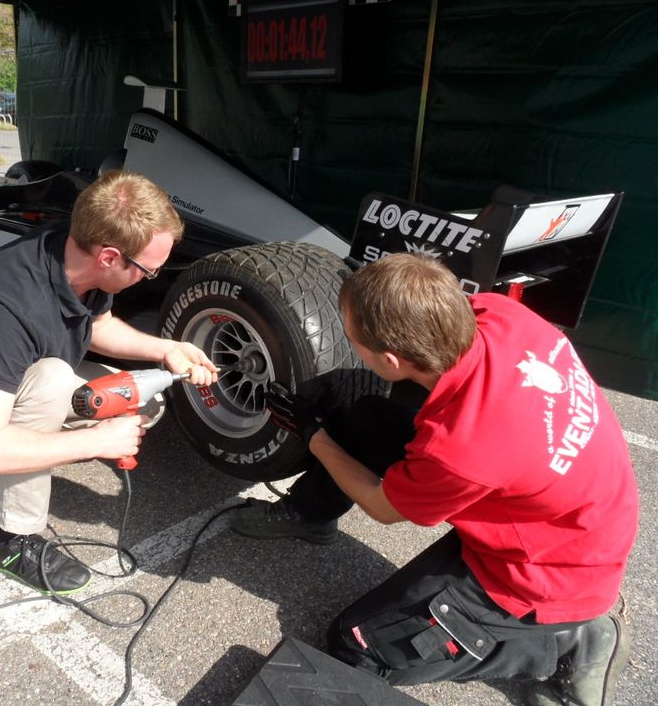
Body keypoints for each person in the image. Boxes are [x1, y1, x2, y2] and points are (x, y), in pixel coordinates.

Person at [232, 254, 638, 706]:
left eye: (352, 340)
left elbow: (382, 506)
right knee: (366, 419)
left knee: (356, 646)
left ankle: (570, 638)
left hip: (541, 573)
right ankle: (310, 514)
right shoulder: (498, 313)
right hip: (572, 516)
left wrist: (313, 435)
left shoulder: (462, 447)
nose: (350, 345)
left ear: (390, 359)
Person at [0, 169, 219, 595]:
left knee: (141, 401)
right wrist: (97, 443)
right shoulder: (11, 303)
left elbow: (97, 324)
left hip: (17, 373)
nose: (151, 277)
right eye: (149, 271)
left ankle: (34, 438)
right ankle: (12, 540)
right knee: (51, 383)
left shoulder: (75, 250)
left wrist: (164, 349)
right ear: (110, 257)